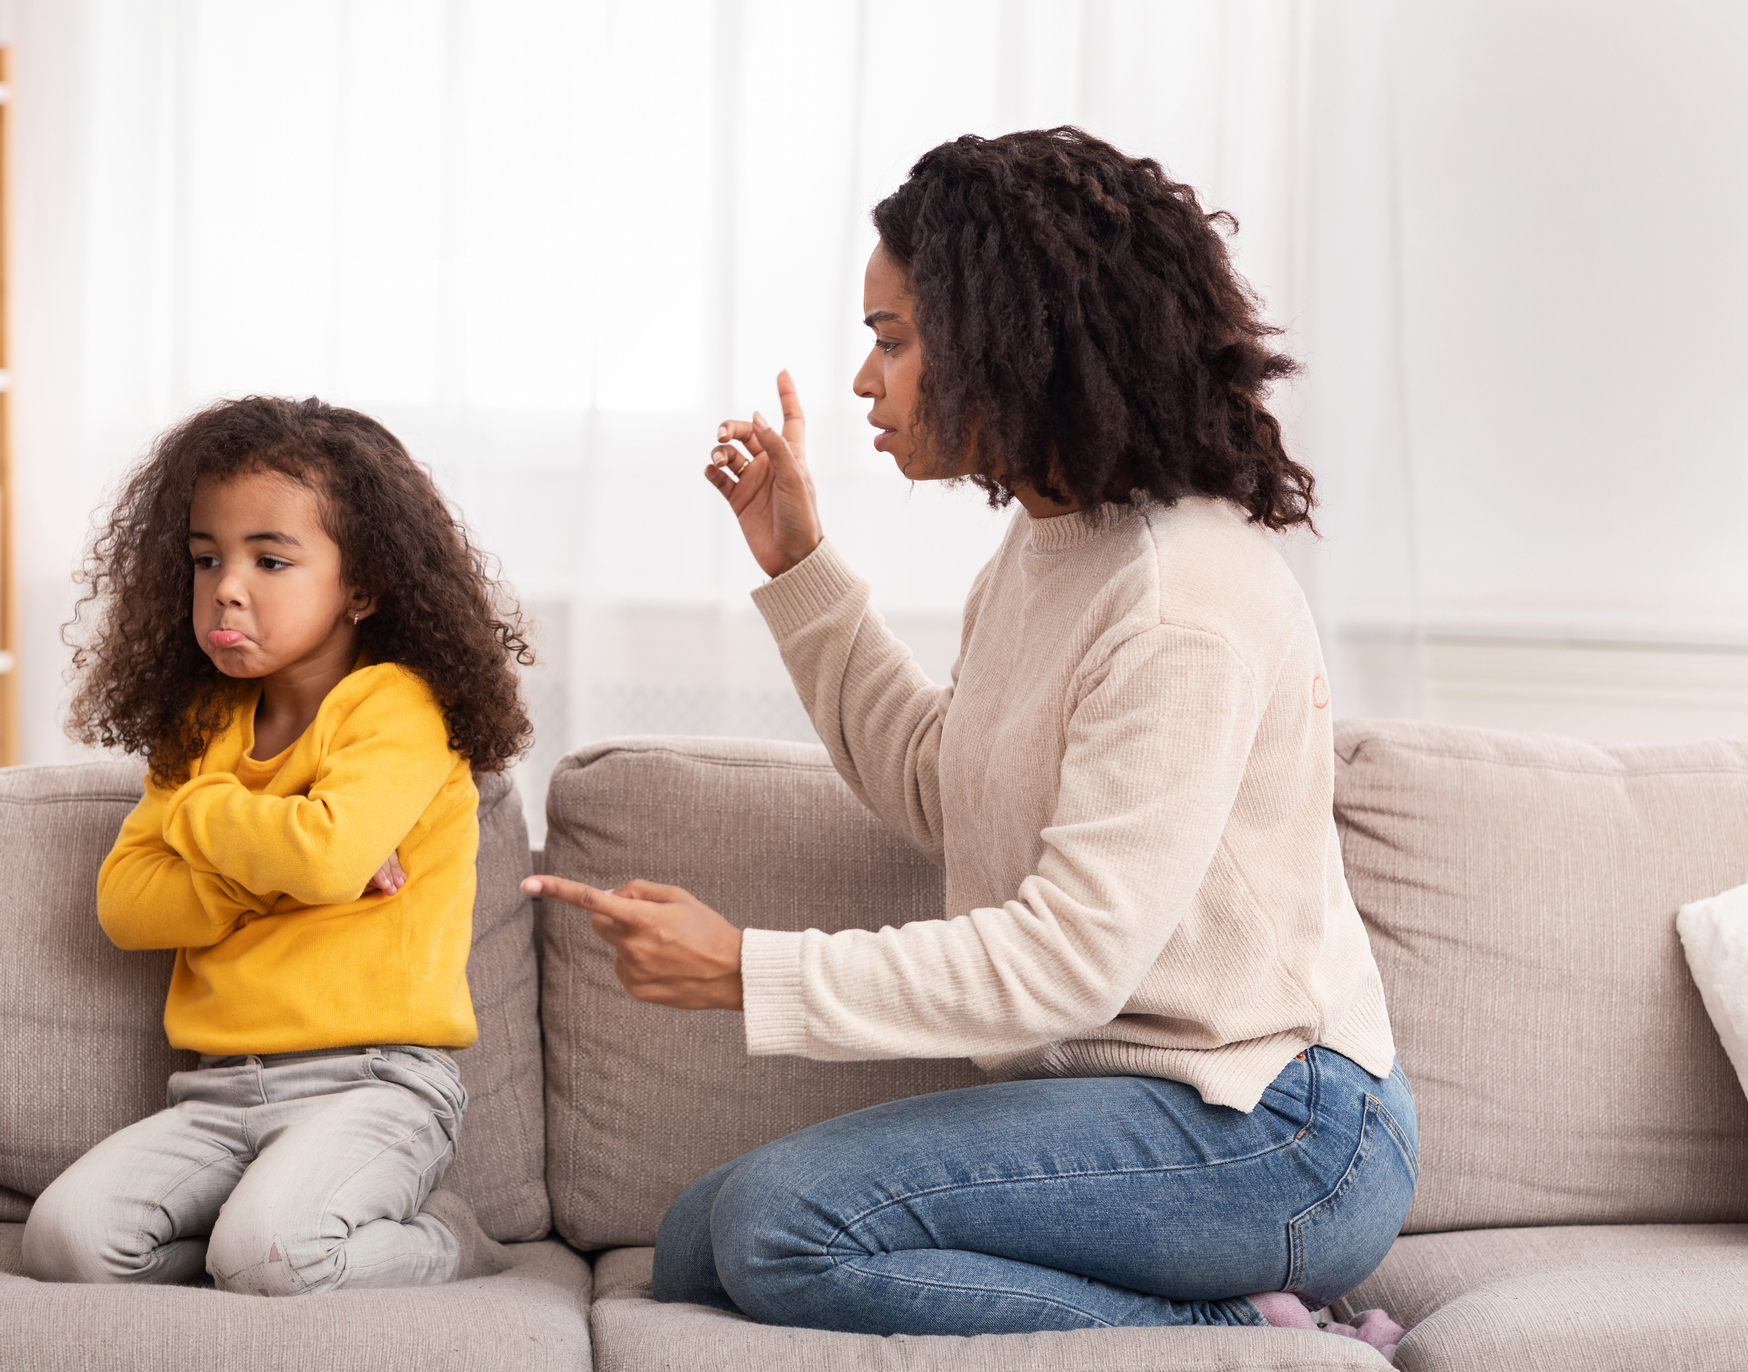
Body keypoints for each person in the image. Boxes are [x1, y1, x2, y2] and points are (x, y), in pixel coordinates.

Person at [522, 128, 1415, 1357]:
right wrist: (799, 566)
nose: (861, 381)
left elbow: (1069, 960)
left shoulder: (1179, 601)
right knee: (693, 1241)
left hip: (1277, 1128)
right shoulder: (1058, 545)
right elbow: (948, 790)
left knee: (781, 1231)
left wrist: (747, 968)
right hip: (1133, 1102)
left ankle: (1254, 1338)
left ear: (1011, 338)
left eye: (891, 340)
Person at [25, 396, 530, 1296]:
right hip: (218, 1091)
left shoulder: (397, 707)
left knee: (269, 1256)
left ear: (362, 586)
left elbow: (328, 858)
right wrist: (281, 869)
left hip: (377, 1083)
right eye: (206, 558)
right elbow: (129, 907)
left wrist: (203, 819)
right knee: (66, 1243)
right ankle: (255, 1249)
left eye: (270, 559)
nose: (227, 585)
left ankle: (447, 1241)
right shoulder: (203, 724)